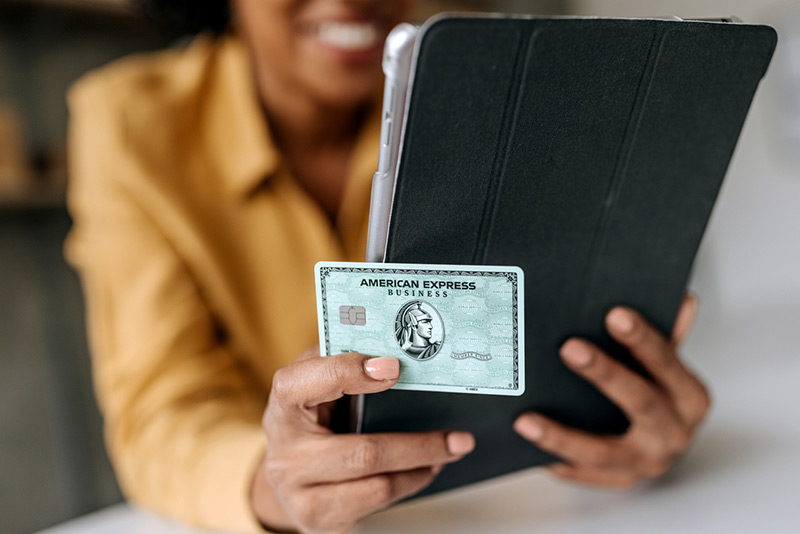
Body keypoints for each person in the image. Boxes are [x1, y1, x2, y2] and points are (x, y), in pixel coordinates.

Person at [65, 1, 711, 533]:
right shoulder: (128, 126)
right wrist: (269, 483)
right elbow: (161, 410)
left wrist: (622, 417)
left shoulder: (485, 91)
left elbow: (550, 328)